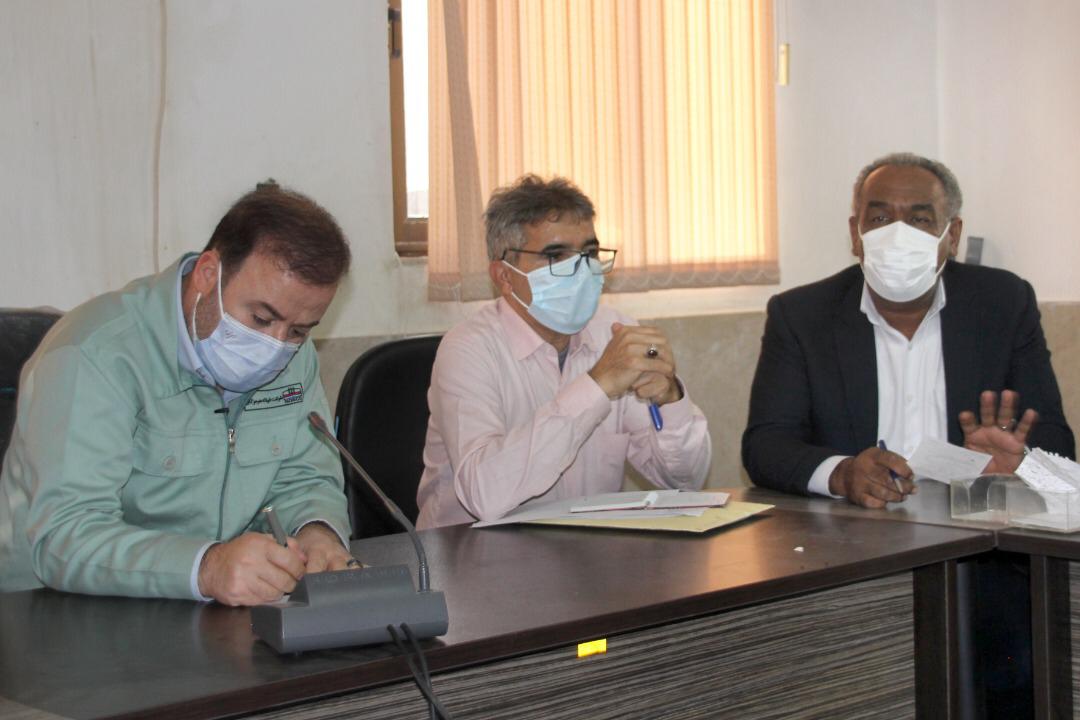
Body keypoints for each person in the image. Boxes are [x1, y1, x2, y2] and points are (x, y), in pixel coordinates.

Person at [0, 184, 356, 605]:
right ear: (208, 273)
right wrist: (206, 567)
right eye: (261, 318)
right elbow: (63, 536)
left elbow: (306, 477)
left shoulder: (293, 358)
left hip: (210, 612)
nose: (275, 346)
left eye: (298, 331)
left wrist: (317, 531)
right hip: (51, 612)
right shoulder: (94, 354)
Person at [742, 152, 1074, 508]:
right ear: (856, 234)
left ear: (953, 235)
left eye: (919, 220)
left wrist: (1021, 465)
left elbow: (1055, 439)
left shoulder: (1004, 304)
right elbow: (766, 445)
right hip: (853, 530)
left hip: (973, 529)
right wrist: (842, 474)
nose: (898, 236)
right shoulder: (802, 315)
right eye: (880, 218)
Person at [416, 175, 711, 528]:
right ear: (505, 276)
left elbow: (685, 480)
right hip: (473, 550)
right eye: (556, 255)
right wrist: (597, 386)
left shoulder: (615, 332)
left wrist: (670, 398)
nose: (581, 269)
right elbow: (484, 495)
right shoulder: (467, 350)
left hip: (587, 551)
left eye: (589, 253)